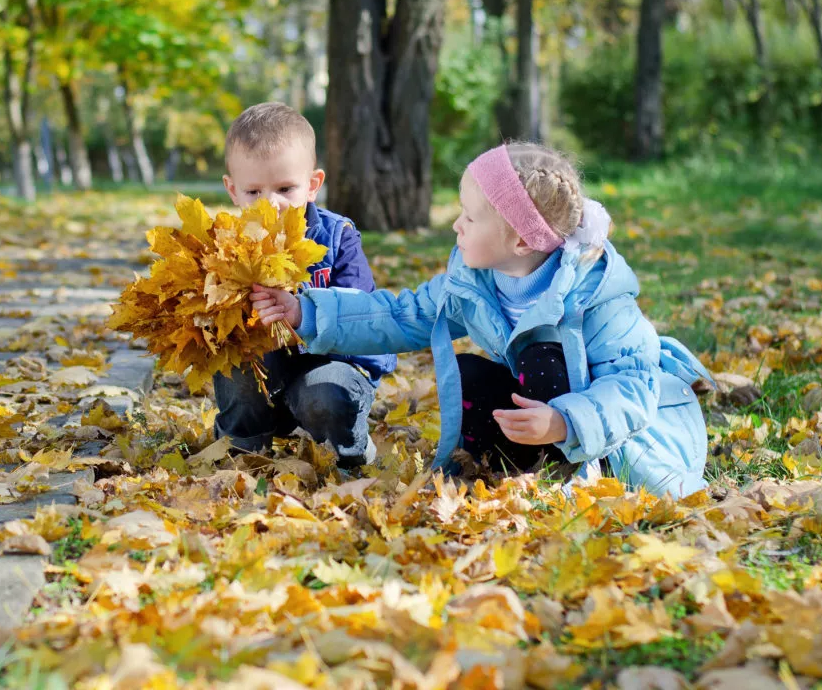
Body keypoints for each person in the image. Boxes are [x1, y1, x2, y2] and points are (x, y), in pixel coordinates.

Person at [250, 142, 712, 497]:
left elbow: (633, 386)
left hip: (609, 435)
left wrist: (565, 422)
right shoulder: (475, 280)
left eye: (470, 217)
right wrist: (305, 310)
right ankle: (502, 469)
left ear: (521, 242)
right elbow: (402, 313)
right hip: (537, 410)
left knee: (542, 353)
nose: (456, 226)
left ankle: (563, 470)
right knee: (467, 374)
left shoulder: (597, 293)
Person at [215, 102, 396, 467]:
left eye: (285, 188)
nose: (271, 204)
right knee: (234, 364)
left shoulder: (336, 236)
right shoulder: (225, 248)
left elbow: (360, 315)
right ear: (233, 191)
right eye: (254, 192)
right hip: (264, 374)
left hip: (329, 367)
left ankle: (348, 453)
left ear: (312, 185)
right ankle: (242, 448)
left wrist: (302, 309)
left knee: (325, 395)